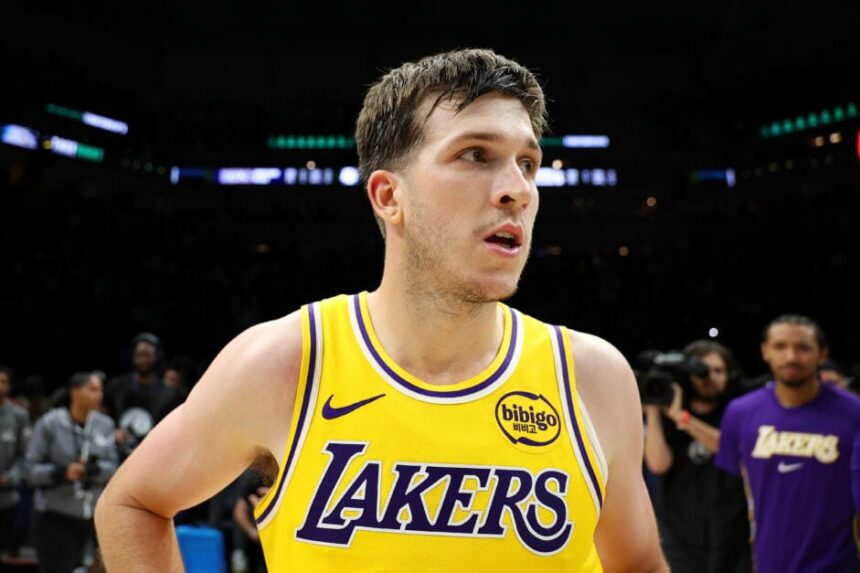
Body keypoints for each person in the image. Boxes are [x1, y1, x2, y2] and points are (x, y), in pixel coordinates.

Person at [96, 48, 667, 571]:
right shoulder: (285, 362)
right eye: (476, 154)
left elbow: (638, 564)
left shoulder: (593, 377)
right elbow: (133, 504)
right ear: (389, 196)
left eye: (528, 162)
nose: (516, 188)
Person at [715, 315, 860, 573]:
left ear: (822, 354)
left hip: (840, 564)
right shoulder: (740, 412)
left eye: (803, 348)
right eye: (780, 346)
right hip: (768, 563)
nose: (791, 356)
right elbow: (732, 501)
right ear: (765, 351)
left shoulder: (853, 413)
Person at [643, 341, 751, 573]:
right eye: (701, 370)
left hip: (731, 532)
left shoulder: (737, 410)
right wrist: (653, 411)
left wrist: (682, 418)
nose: (709, 377)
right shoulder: (669, 412)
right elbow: (658, 465)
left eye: (718, 370)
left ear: (729, 374)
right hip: (679, 533)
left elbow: (731, 448)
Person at [26, 371, 118, 572]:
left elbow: (113, 467)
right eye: (92, 389)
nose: (99, 395)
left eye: (100, 390)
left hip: (92, 516)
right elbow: (30, 470)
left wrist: (93, 470)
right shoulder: (49, 423)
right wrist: (61, 473)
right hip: (55, 515)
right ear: (75, 392)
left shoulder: (105, 424)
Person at [103, 333, 181, 456]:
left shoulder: (168, 393)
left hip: (153, 455)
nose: (143, 360)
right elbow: (101, 418)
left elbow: (173, 429)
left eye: (147, 355)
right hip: (116, 454)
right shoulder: (116, 386)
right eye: (139, 355)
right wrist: (111, 432)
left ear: (157, 357)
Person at [0, 364, 30, 557]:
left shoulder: (19, 416)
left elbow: (25, 455)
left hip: (8, 494)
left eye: (2, 382)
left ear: (9, 386)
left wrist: (11, 476)